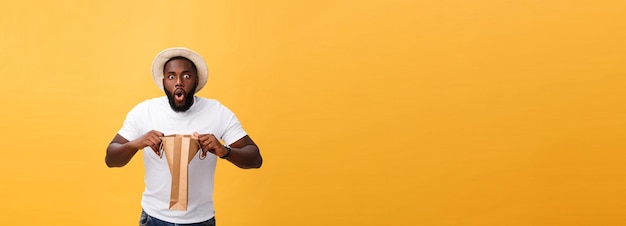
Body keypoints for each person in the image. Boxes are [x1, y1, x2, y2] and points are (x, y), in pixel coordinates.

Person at [105, 47, 263, 226]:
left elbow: (255, 158)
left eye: (186, 76)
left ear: (196, 81)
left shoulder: (217, 112)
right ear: (164, 82)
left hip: (201, 221)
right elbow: (111, 158)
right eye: (171, 76)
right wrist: (136, 144)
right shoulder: (144, 112)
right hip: (153, 218)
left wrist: (223, 150)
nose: (178, 82)